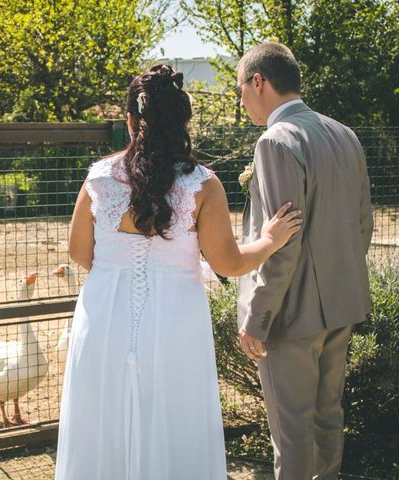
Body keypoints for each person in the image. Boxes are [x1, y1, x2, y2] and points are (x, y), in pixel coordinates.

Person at [55, 64, 301, 480]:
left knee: (103, 416)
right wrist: (271, 240)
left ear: (132, 120)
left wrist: (119, 268)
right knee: (172, 416)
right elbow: (229, 263)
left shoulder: (98, 177)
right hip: (174, 317)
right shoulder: (203, 184)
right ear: (184, 121)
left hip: (104, 315)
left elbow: (80, 252)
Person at [235, 42, 373, 480]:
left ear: (259, 82)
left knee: (291, 434)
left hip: (290, 316)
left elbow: (282, 244)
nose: (241, 102)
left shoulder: (276, 142)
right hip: (341, 306)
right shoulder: (344, 133)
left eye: (241, 89)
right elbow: (363, 225)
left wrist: (257, 317)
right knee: (328, 417)